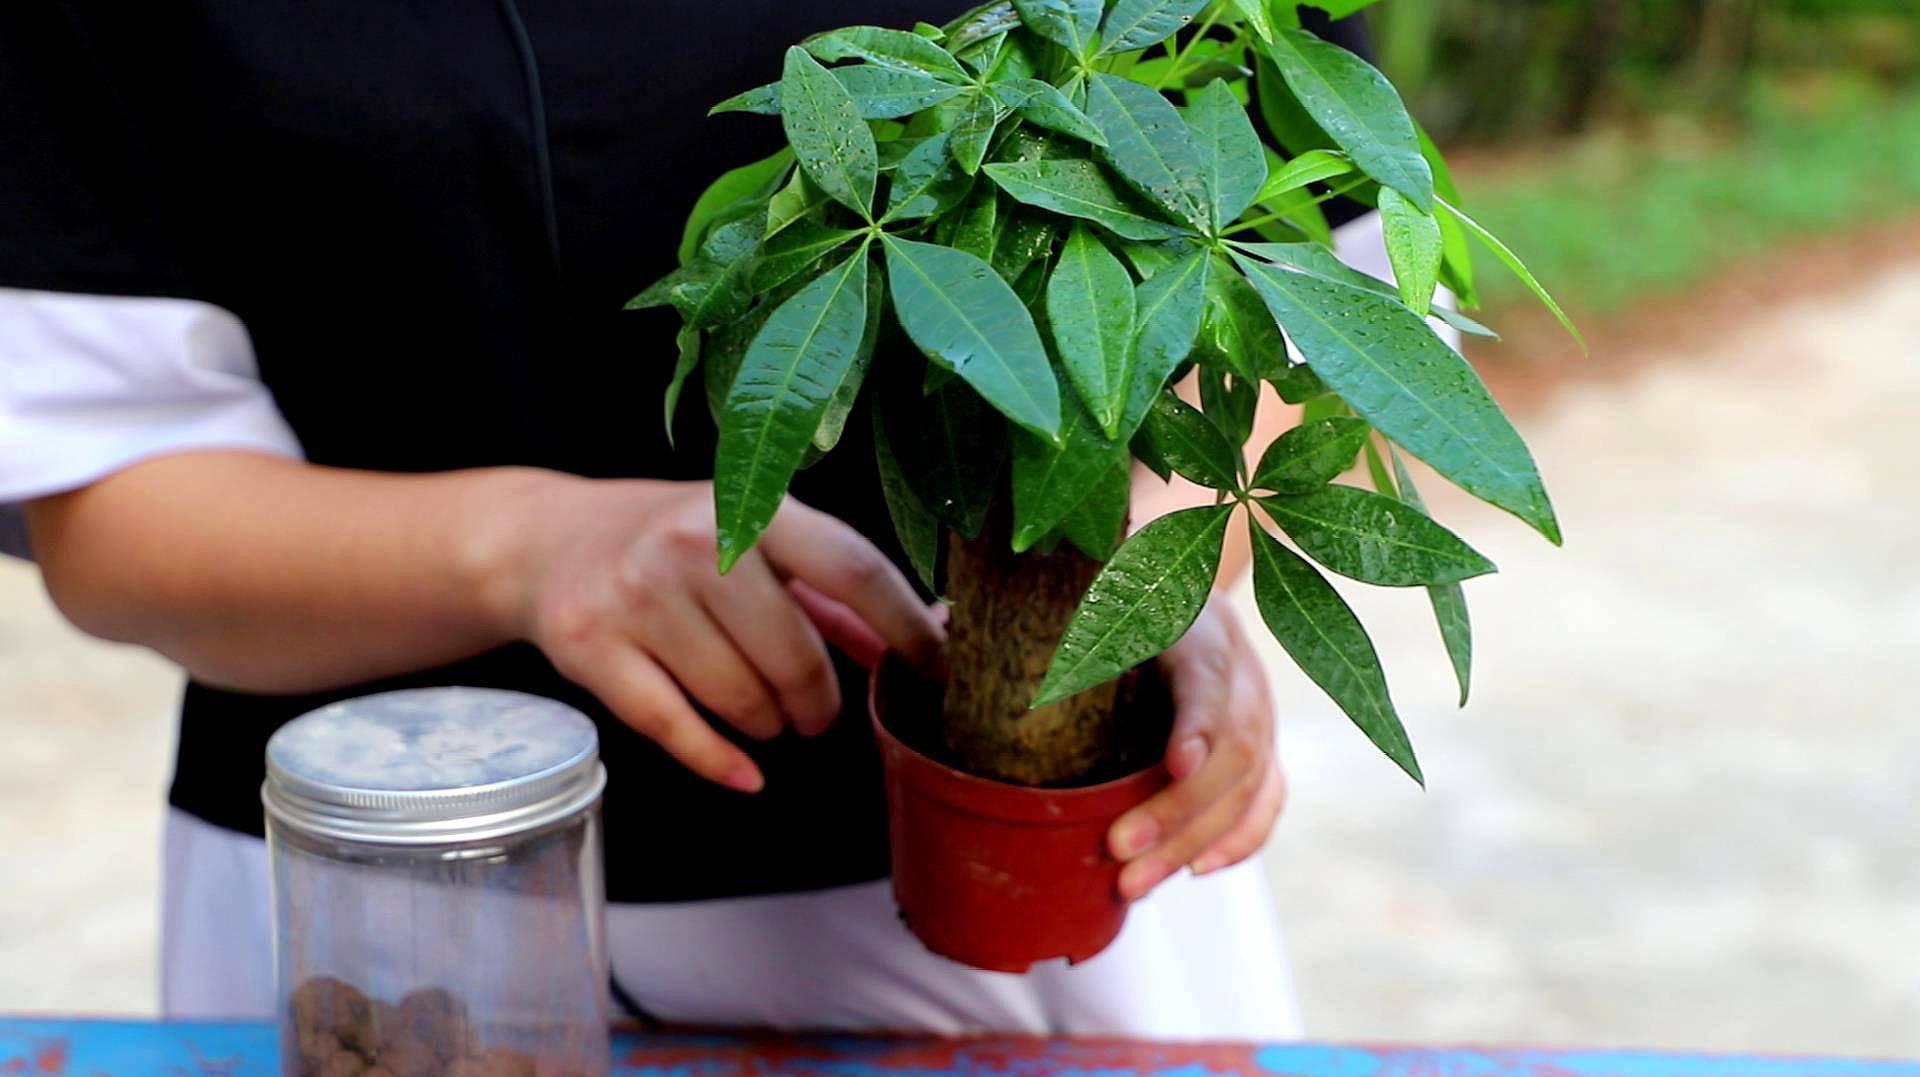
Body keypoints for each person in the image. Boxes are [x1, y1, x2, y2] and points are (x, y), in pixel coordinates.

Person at [0, 1, 1384, 1037]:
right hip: (375, 937)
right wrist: (530, 548)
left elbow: (1295, 310)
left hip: (1015, 902)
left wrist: (1149, 575)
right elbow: (112, 501)